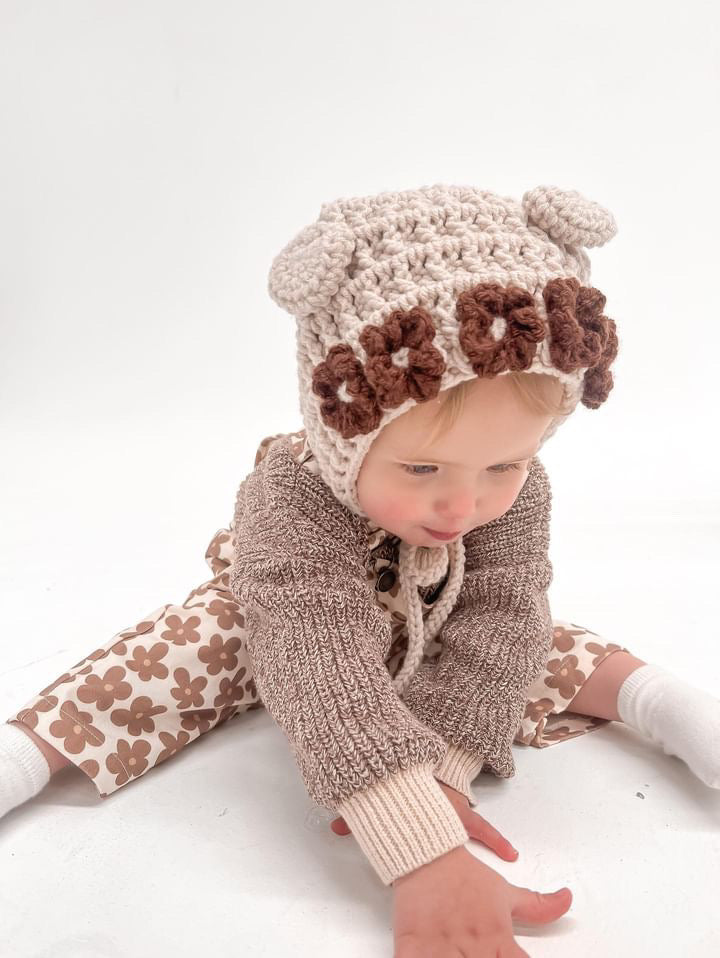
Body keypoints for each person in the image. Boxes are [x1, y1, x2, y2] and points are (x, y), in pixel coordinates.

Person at [2, 183, 718, 955]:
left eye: (504, 464)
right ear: (343, 432)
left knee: (532, 638)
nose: (462, 504)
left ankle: (662, 702)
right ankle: (29, 752)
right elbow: (319, 662)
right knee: (185, 649)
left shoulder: (512, 487)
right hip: (283, 623)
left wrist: (445, 764)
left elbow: (505, 611)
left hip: (427, 615)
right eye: (419, 468)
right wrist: (418, 841)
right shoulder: (294, 496)